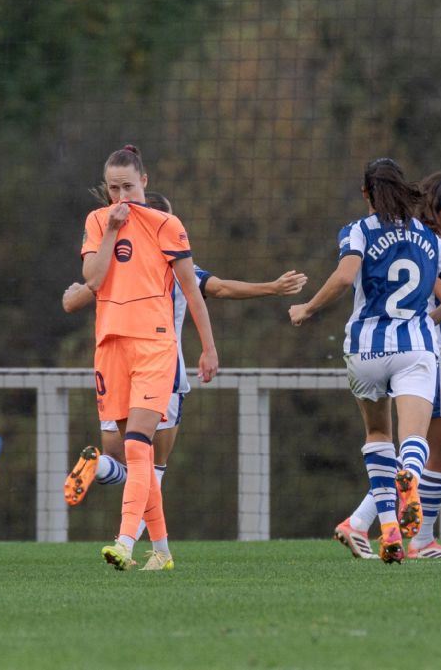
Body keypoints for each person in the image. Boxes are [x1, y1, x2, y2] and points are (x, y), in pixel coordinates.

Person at [62, 190, 307, 539]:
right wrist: (272, 287)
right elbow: (219, 289)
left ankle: (100, 466)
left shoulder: (113, 265)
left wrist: (73, 294)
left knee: (123, 459)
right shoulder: (178, 266)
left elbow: (76, 299)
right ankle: (136, 544)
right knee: (152, 468)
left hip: (115, 366)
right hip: (164, 373)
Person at [290, 158, 441, 564]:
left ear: (365, 194)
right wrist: (431, 318)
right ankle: (410, 474)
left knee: (377, 435)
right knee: (414, 441)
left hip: (365, 347)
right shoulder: (427, 234)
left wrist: (308, 308)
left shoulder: (359, 229)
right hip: (416, 346)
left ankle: (390, 530)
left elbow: (343, 277)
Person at [332, 171, 441, 560]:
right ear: (435, 206)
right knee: (428, 447)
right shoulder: (426, 240)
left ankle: (365, 524)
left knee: (424, 447)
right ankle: (418, 540)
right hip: (421, 349)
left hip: (408, 352)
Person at [82, 145, 219, 572]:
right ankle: (161, 551)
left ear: (145, 182)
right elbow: (92, 278)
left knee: (139, 445)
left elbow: (192, 289)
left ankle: (123, 542)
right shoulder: (97, 222)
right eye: (113, 188)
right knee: (133, 452)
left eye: (128, 186)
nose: (121, 196)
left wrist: (208, 346)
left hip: (155, 346)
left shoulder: (167, 224)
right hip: (110, 346)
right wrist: (110, 232)